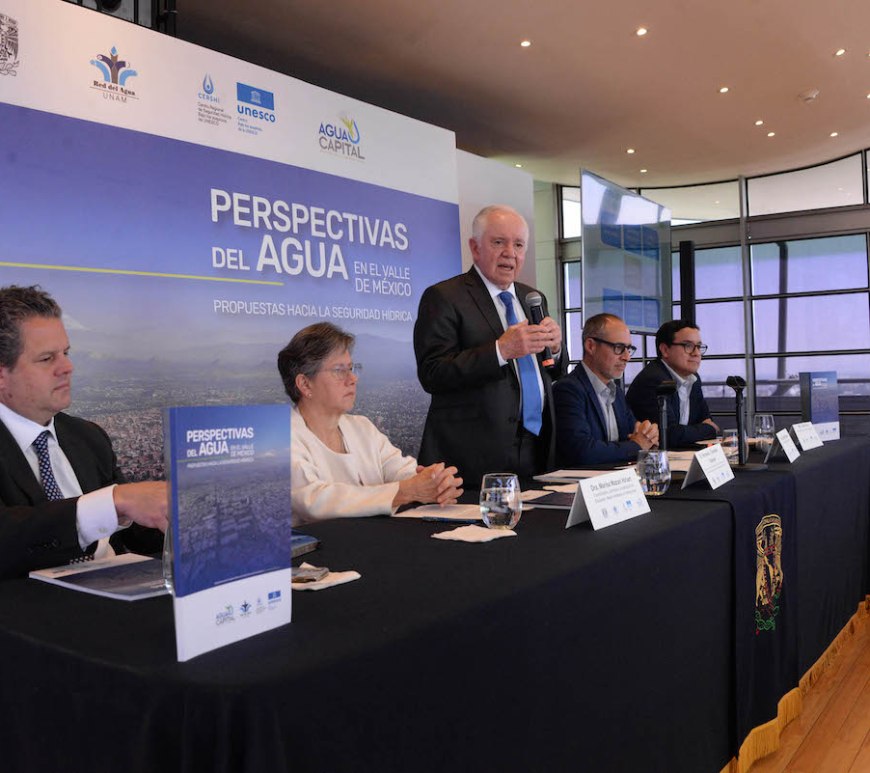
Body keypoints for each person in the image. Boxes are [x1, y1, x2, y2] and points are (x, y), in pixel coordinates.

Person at [0, 285, 168, 579]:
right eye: (47, 358)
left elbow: (140, 537)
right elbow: (8, 536)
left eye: (65, 353)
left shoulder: (87, 437)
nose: (67, 367)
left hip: (118, 594)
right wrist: (111, 503)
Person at [414, 205, 565, 486]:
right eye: (498, 242)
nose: (510, 253)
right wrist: (500, 351)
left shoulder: (533, 298)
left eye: (518, 245)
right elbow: (432, 373)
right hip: (474, 454)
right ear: (475, 248)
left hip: (536, 446)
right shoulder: (444, 297)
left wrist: (555, 349)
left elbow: (553, 371)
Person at [279, 322, 463, 524]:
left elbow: (400, 471)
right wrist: (405, 491)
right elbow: (315, 501)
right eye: (339, 370)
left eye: (351, 368)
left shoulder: (361, 427)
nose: (353, 379)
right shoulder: (282, 437)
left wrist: (434, 481)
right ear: (305, 384)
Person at [553, 313, 659, 465]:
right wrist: (637, 446)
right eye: (619, 348)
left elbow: (635, 434)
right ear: (591, 346)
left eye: (629, 349)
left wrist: (648, 435)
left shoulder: (617, 392)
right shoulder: (568, 390)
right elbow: (582, 451)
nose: (627, 357)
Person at [626, 320, 719, 447]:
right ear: (665, 350)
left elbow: (706, 420)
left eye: (698, 346)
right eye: (688, 346)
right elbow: (669, 435)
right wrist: (707, 429)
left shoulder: (693, 379)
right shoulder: (654, 380)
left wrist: (701, 429)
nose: (696, 353)